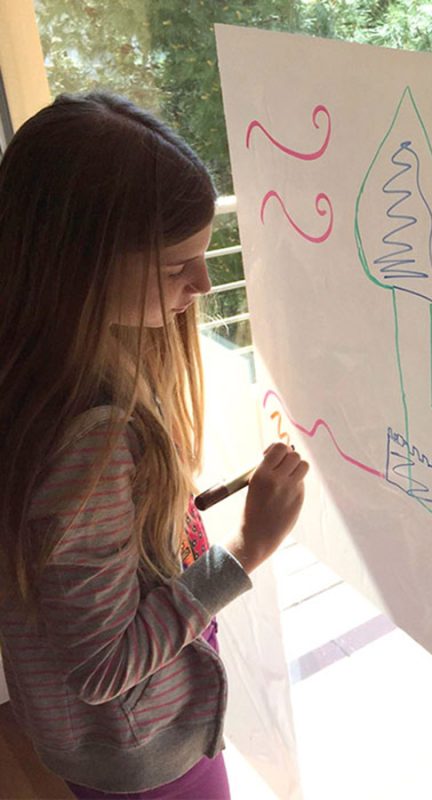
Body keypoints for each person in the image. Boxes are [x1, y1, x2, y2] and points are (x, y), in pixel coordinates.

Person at [0, 91, 308, 799]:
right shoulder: (90, 435)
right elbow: (104, 665)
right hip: (143, 752)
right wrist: (250, 546)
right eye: (177, 267)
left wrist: (161, 512)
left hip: (98, 739)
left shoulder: (35, 372)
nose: (203, 285)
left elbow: (68, 547)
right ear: (79, 265)